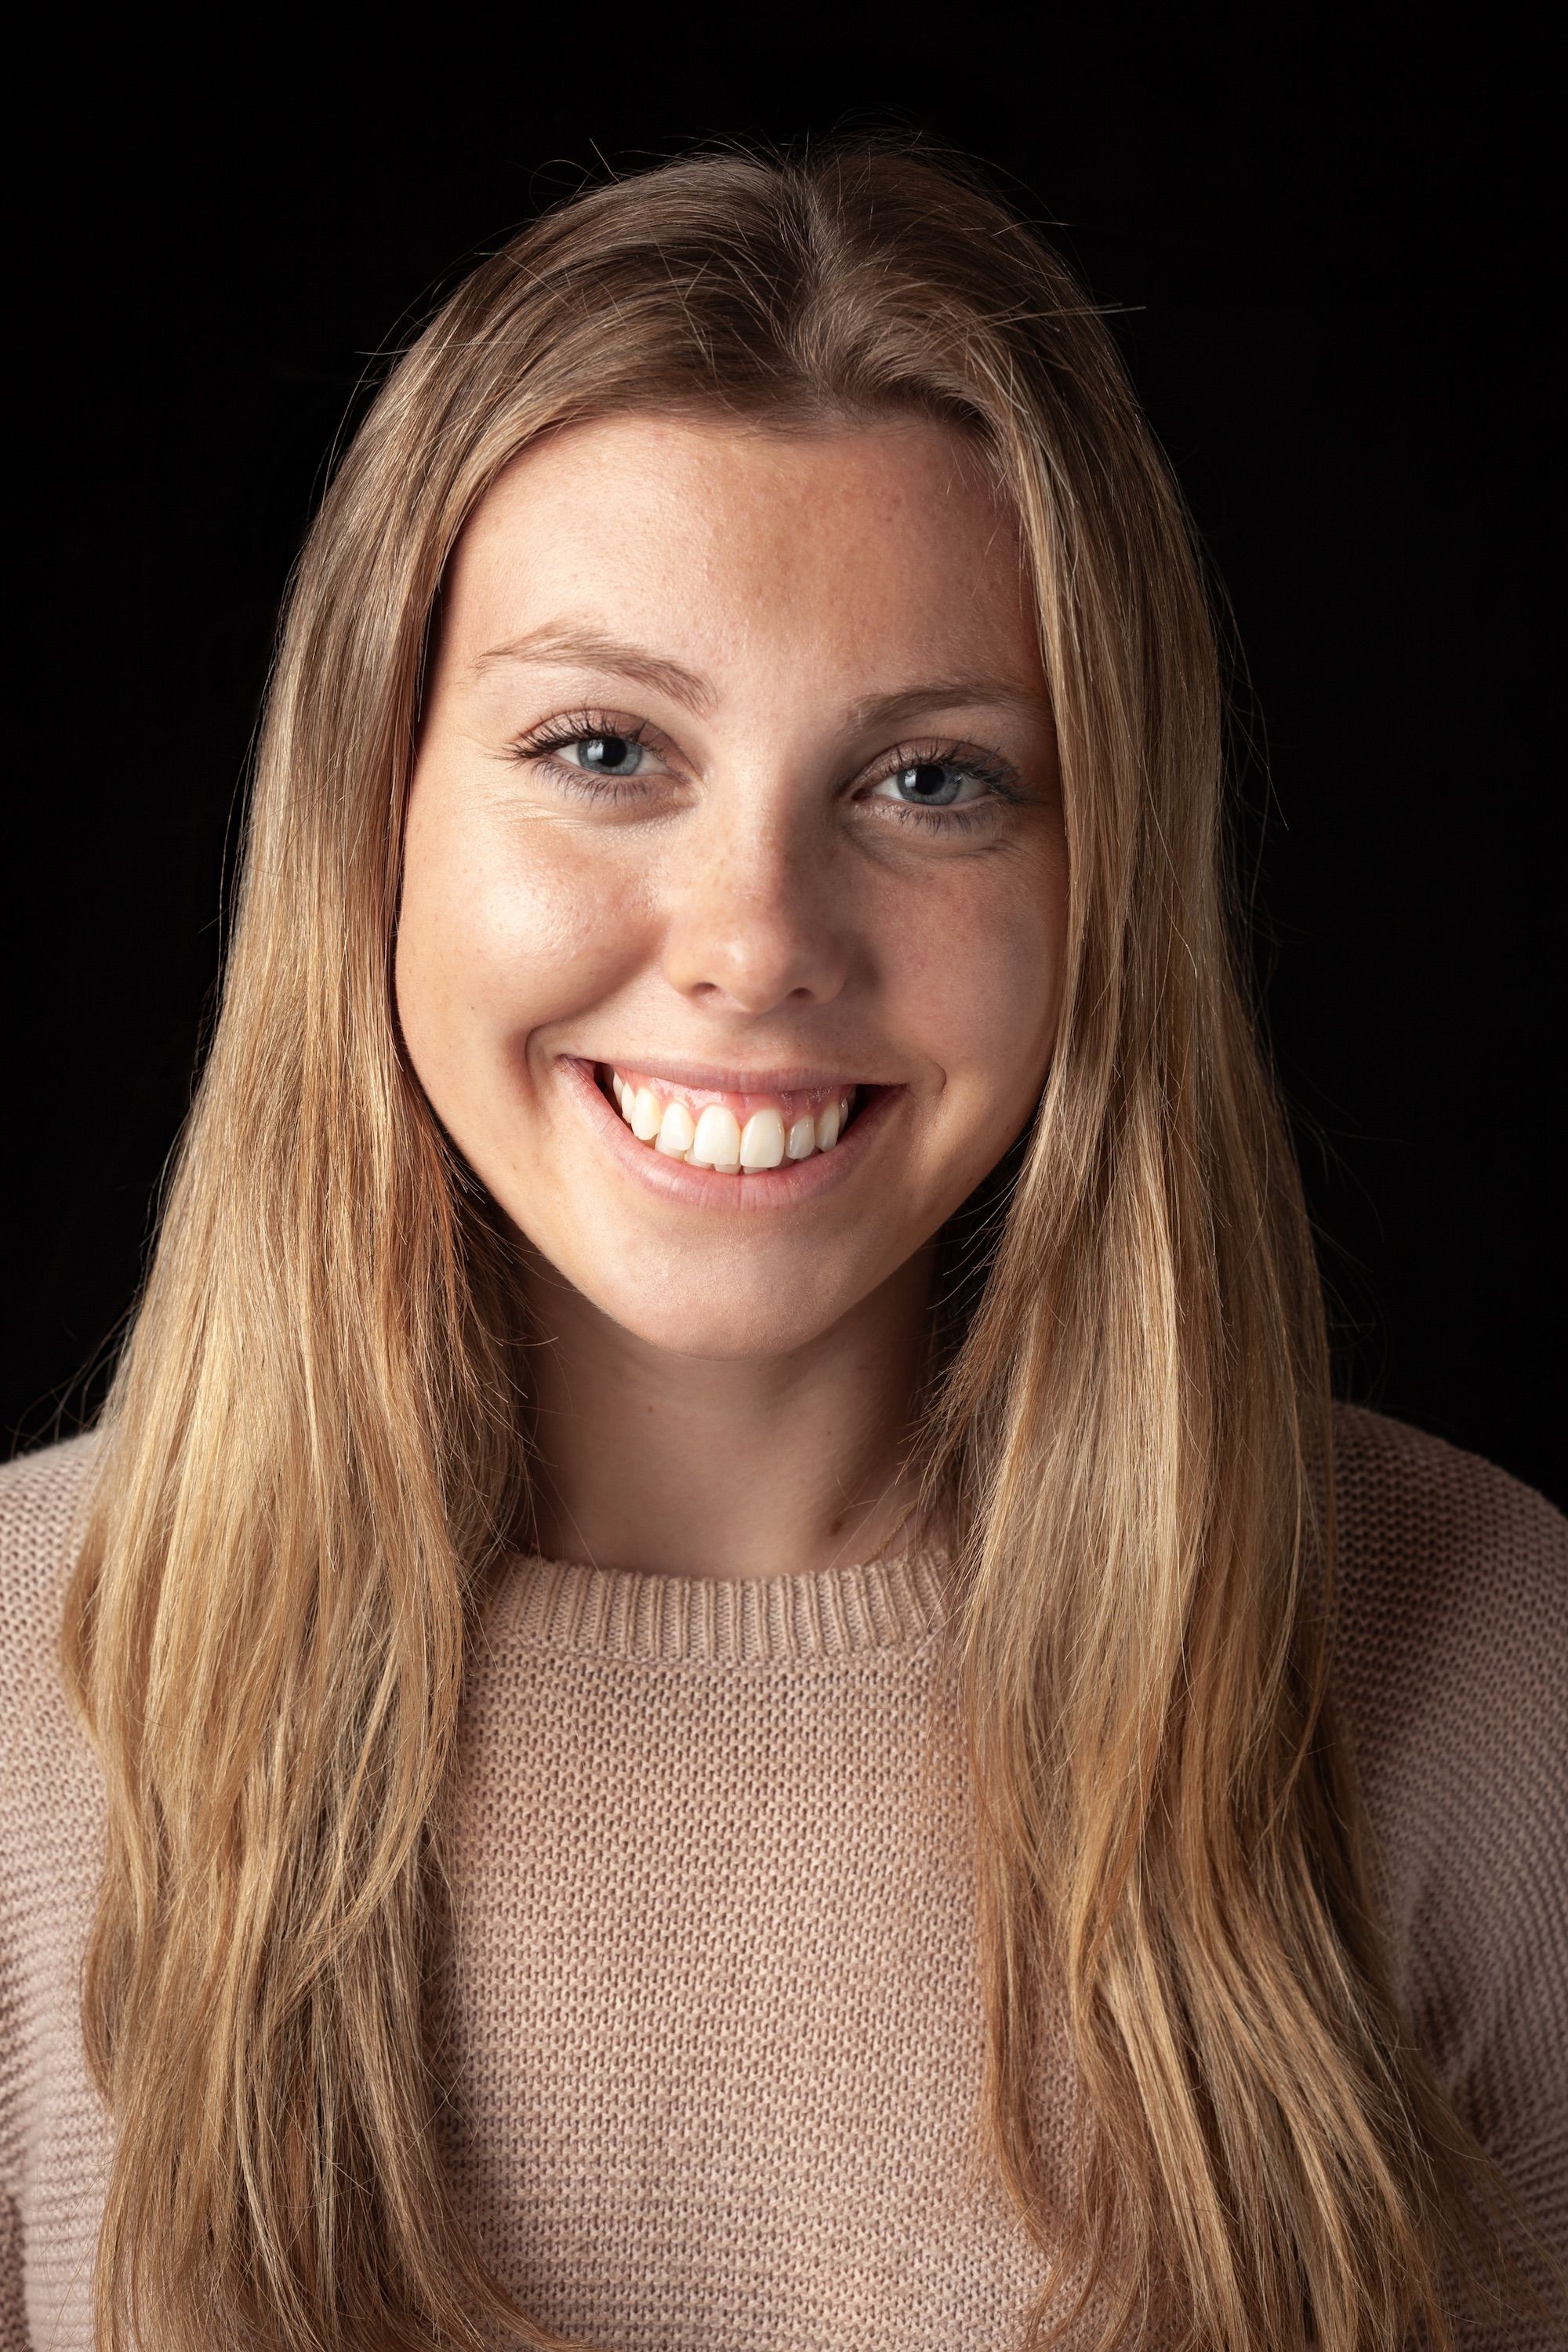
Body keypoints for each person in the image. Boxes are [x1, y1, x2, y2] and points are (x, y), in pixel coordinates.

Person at [1, 139, 1563, 2352]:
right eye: (606, 747)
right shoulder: (12, 1710)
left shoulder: (1484, 1671)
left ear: (1099, 879)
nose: (754, 943)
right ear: (375, 821)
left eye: (930, 781)